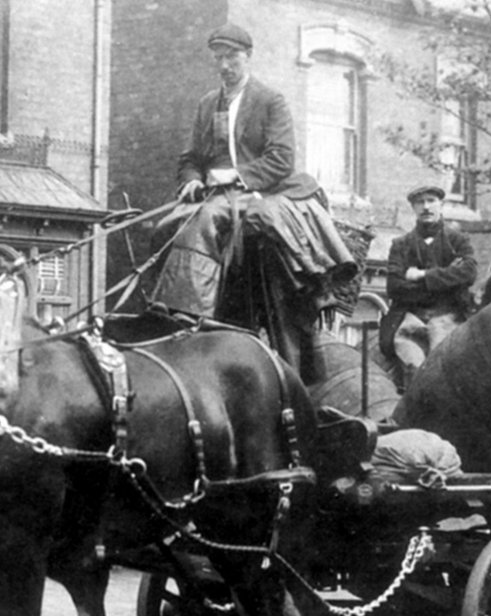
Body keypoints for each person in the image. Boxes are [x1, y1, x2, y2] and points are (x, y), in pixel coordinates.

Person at [149, 22, 357, 384]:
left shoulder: (269, 100)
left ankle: (189, 311)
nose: (224, 65)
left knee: (208, 219)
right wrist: (193, 179)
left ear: (248, 57)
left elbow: (281, 159)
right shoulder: (207, 104)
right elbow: (190, 158)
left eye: (231, 57)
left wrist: (236, 175)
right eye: (218, 58)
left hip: (265, 192)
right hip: (217, 194)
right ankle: (166, 310)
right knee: (165, 226)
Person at [380, 185, 477, 389]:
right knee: (413, 368)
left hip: (448, 316)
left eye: (431, 200)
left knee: (442, 367)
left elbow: (468, 273)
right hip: (411, 319)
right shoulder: (401, 244)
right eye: (420, 202)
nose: (426, 207)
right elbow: (394, 287)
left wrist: (422, 275)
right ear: (413, 208)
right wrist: (447, 280)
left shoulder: (458, 240)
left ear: (441, 205)